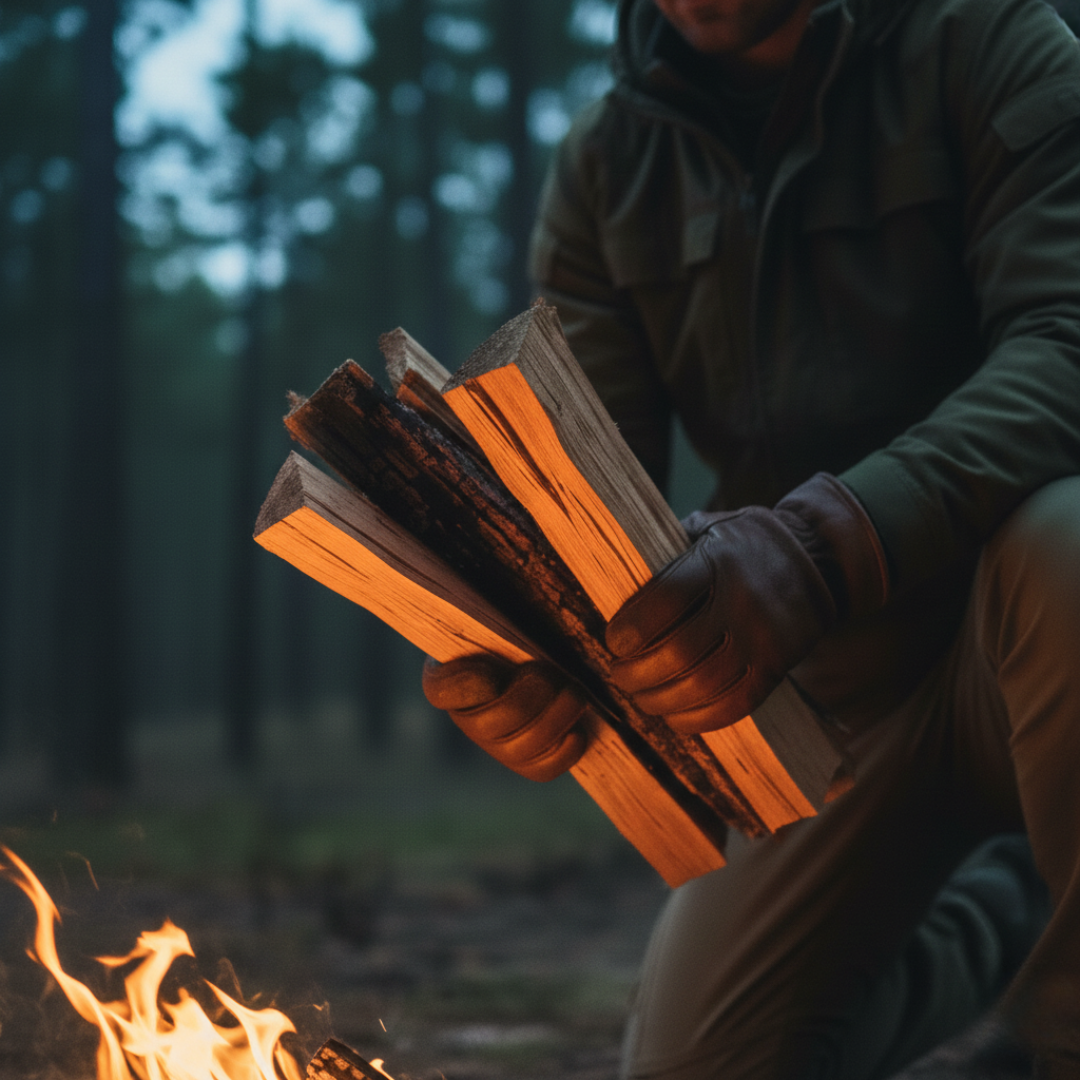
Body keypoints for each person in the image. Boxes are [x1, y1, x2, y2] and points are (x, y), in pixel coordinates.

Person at [422, 0, 1080, 1074]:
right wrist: (537, 658)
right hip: (825, 704)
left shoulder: (989, 39)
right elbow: (587, 506)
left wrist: (819, 545)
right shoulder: (608, 163)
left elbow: (1068, 339)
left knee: (1072, 540)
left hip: (1027, 633)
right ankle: (998, 916)